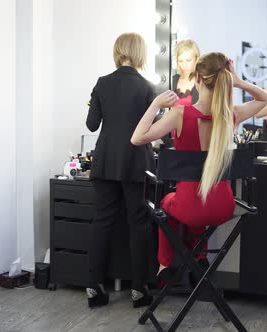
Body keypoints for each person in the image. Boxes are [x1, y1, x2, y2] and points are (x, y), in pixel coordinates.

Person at [131, 52, 267, 278]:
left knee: (169, 203)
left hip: (190, 207)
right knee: (197, 202)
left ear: (197, 79)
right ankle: (199, 257)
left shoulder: (179, 114)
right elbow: (265, 99)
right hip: (223, 207)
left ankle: (165, 264)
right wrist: (238, 81)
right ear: (225, 80)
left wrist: (156, 103)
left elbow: (137, 138)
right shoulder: (231, 116)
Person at [85, 32, 161, 309]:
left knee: (101, 221)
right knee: (138, 223)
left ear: (118, 51)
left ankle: (93, 287)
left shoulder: (102, 83)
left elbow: (92, 124)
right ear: (140, 53)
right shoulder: (147, 88)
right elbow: (153, 131)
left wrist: (95, 102)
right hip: (135, 163)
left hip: (104, 162)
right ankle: (139, 290)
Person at [172, 39, 200, 106]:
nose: (184, 65)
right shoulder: (173, 79)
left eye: (188, 60)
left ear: (196, 59)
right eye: (180, 61)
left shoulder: (202, 82)